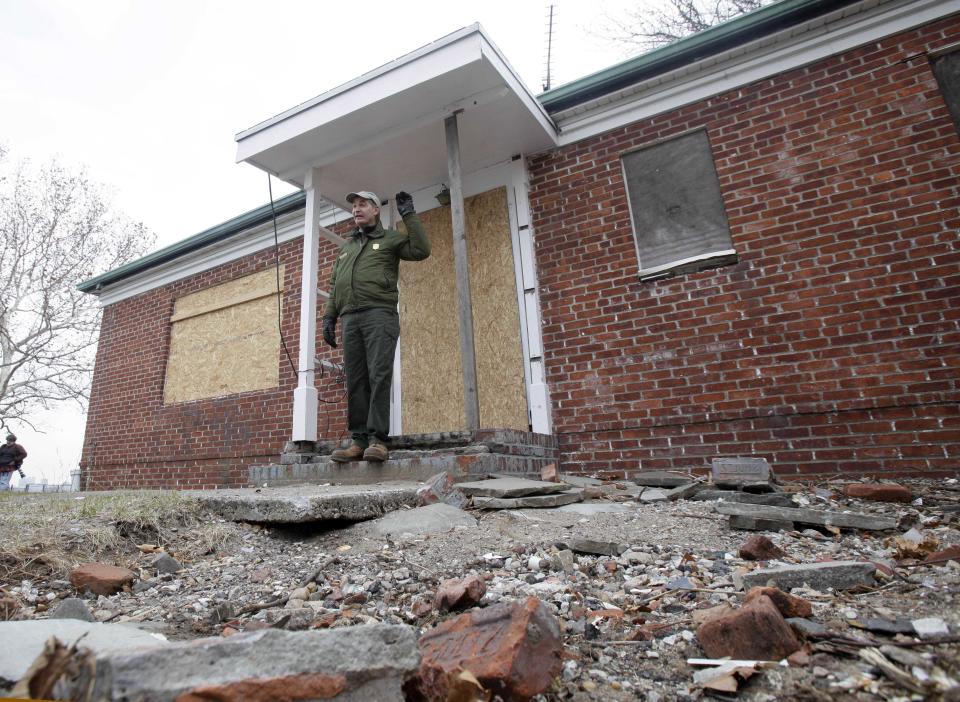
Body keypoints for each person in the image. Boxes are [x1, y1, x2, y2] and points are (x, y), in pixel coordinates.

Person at [322, 190, 431, 463]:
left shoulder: (390, 239)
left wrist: (409, 216)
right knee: (356, 379)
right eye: (354, 206)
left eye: (362, 205)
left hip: (379, 315)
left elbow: (420, 251)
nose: (356, 209)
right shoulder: (347, 247)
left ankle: (378, 441)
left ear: (375, 210)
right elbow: (335, 285)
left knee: (378, 376)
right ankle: (358, 440)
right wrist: (329, 317)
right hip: (350, 319)